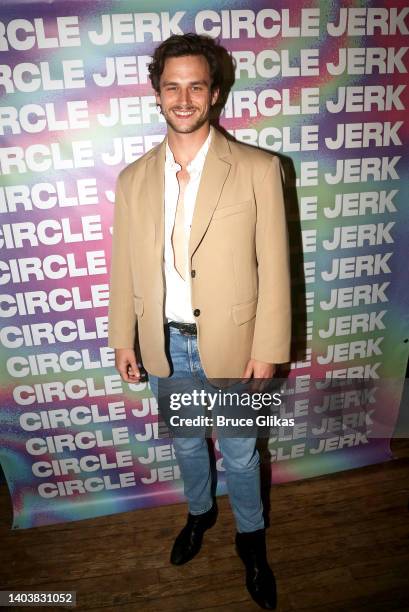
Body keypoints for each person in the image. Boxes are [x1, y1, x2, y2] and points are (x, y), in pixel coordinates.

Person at [108, 33, 291, 610]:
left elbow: (278, 268)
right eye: (172, 86)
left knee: (240, 453)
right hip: (166, 345)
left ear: (214, 94)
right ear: (156, 93)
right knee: (187, 444)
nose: (183, 98)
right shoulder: (133, 180)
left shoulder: (260, 169)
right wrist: (123, 339)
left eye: (196, 86)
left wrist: (269, 347)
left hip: (237, 347)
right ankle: (199, 513)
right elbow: (124, 271)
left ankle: (252, 543)